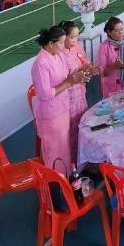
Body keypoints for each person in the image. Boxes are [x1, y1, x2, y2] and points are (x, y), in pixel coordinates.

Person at [30, 26, 88, 175]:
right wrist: (69, 82)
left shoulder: (58, 55)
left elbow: (68, 75)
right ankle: (56, 184)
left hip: (63, 108)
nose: (64, 46)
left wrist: (81, 74)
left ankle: (67, 178)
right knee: (55, 153)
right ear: (51, 43)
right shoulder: (40, 63)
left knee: (65, 148)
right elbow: (45, 94)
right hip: (51, 115)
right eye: (61, 43)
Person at [58, 20, 95, 157]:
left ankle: (86, 157)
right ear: (63, 37)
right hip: (68, 98)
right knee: (71, 130)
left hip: (80, 93)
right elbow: (61, 78)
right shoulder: (59, 54)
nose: (75, 40)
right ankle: (74, 161)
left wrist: (89, 69)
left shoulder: (76, 47)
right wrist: (76, 76)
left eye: (77, 37)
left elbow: (85, 62)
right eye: (72, 37)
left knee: (83, 125)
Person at [98, 16, 124, 95]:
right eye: (116, 30)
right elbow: (103, 72)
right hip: (111, 87)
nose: (120, 32)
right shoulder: (104, 46)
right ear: (109, 32)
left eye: (121, 29)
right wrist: (114, 66)